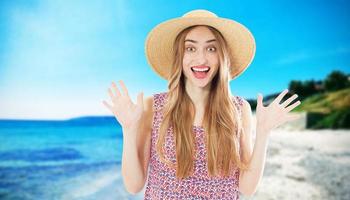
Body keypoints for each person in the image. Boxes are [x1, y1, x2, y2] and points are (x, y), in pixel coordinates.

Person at [102, 9, 301, 199]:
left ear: (221, 56)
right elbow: (133, 185)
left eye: (211, 48)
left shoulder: (240, 109)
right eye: (190, 48)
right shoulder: (152, 107)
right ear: (179, 56)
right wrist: (128, 129)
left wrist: (264, 132)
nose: (201, 58)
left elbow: (247, 188)